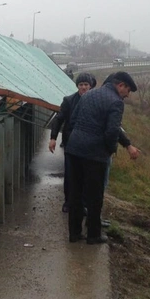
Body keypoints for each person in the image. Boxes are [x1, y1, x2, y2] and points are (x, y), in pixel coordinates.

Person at [65, 71, 139, 244]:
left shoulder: (88, 94)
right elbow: (112, 130)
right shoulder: (116, 102)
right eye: (127, 91)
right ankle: (93, 235)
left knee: (75, 193)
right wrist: (110, 149)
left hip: (74, 150)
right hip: (94, 155)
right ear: (121, 85)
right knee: (94, 196)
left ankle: (74, 234)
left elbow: (73, 120)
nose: (127, 96)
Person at [48, 72, 96, 213]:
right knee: (70, 174)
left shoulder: (96, 100)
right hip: (71, 144)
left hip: (89, 145)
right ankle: (68, 202)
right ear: (77, 86)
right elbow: (59, 119)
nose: (83, 87)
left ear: (90, 85)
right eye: (81, 85)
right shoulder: (69, 101)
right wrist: (53, 138)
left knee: (87, 176)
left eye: (86, 85)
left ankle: (84, 204)